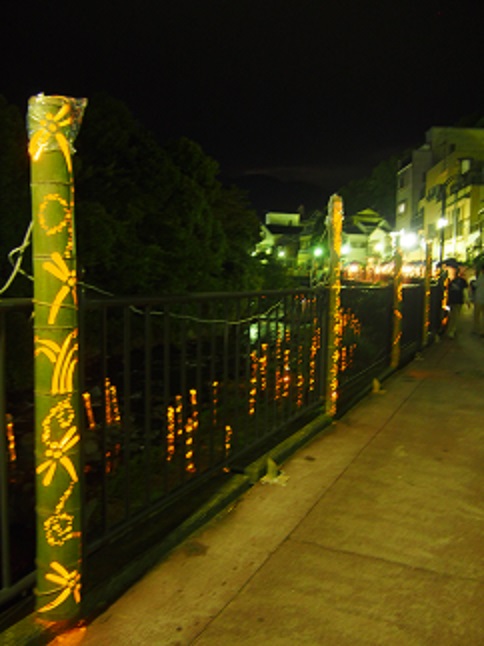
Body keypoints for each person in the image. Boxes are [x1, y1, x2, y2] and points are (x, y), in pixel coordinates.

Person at [446, 264, 470, 338]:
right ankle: (451, 331)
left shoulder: (452, 281)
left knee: (452, 316)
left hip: (452, 301)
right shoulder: (462, 281)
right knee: (455, 317)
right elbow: (465, 292)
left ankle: (450, 330)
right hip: (458, 301)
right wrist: (467, 301)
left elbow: (448, 291)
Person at [472, 263, 484, 336]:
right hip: (480, 298)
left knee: (477, 316)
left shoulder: (481, 277)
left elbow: (476, 285)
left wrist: (472, 283)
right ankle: (481, 330)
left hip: (479, 299)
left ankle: (477, 330)